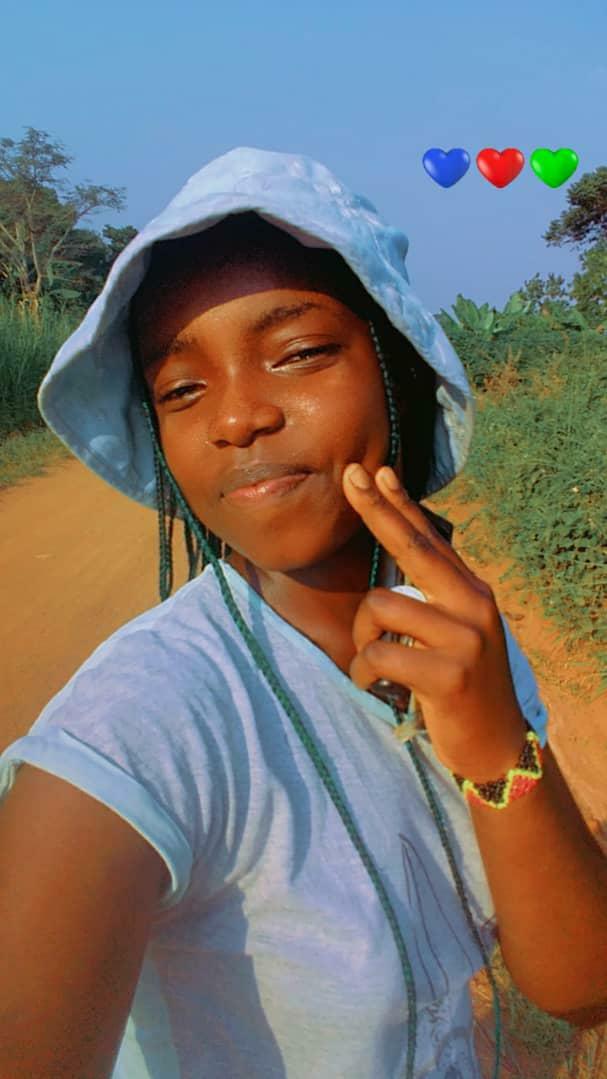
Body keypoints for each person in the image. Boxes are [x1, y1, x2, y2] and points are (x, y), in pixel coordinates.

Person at [1, 148, 606, 1079]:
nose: (236, 418)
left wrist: (497, 747)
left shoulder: (457, 633)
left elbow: (579, 985)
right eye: (181, 389)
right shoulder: (134, 729)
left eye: (298, 354)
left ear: (398, 366)